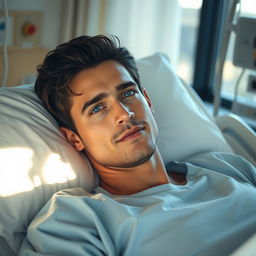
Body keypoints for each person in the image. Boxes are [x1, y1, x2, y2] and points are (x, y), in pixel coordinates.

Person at [19, 35, 256, 256]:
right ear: (74, 139)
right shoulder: (76, 220)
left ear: (148, 101)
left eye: (127, 93)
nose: (124, 113)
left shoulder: (225, 166)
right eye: (97, 108)